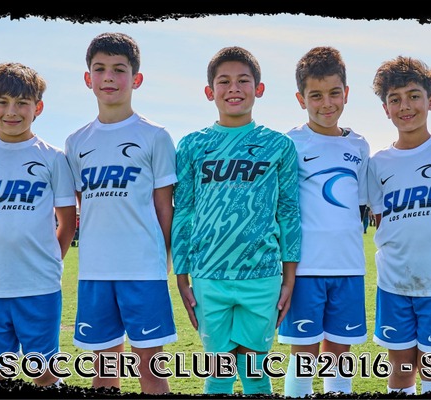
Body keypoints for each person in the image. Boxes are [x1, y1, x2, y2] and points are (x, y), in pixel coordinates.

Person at [172, 46, 301, 395]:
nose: (234, 88)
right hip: (208, 274)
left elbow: (289, 212)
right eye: (224, 81)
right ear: (209, 91)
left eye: (243, 80)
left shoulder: (278, 145)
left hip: (262, 275)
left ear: (259, 88)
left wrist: (289, 278)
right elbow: (183, 211)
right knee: (219, 372)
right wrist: (181, 276)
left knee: (255, 372)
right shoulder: (192, 145)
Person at [64, 32, 178, 394]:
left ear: (136, 78)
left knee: (151, 371)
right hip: (95, 272)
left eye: (119, 69)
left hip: (142, 270)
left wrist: (165, 260)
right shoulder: (76, 142)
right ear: (88, 78)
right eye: (100, 69)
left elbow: (164, 206)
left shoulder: (155, 136)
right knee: (103, 372)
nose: (109, 77)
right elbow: (84, 205)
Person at [0, 62, 77, 387]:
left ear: (38, 107)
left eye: (22, 103)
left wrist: (49, 261)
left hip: (39, 286)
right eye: (3, 102)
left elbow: (67, 222)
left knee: (45, 373)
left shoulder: (53, 158)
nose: (12, 111)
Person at [363, 56, 431, 395]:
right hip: (394, 281)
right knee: (401, 365)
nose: (405, 106)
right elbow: (383, 222)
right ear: (386, 109)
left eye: (413, 96)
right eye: (395, 99)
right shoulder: (378, 163)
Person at [277, 46, 369, 397]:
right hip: (305, 269)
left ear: (346, 93)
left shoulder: (359, 145)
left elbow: (360, 206)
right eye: (316, 95)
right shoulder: (290, 143)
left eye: (334, 93)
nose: (326, 103)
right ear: (301, 99)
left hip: (349, 267)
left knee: (339, 355)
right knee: (303, 356)